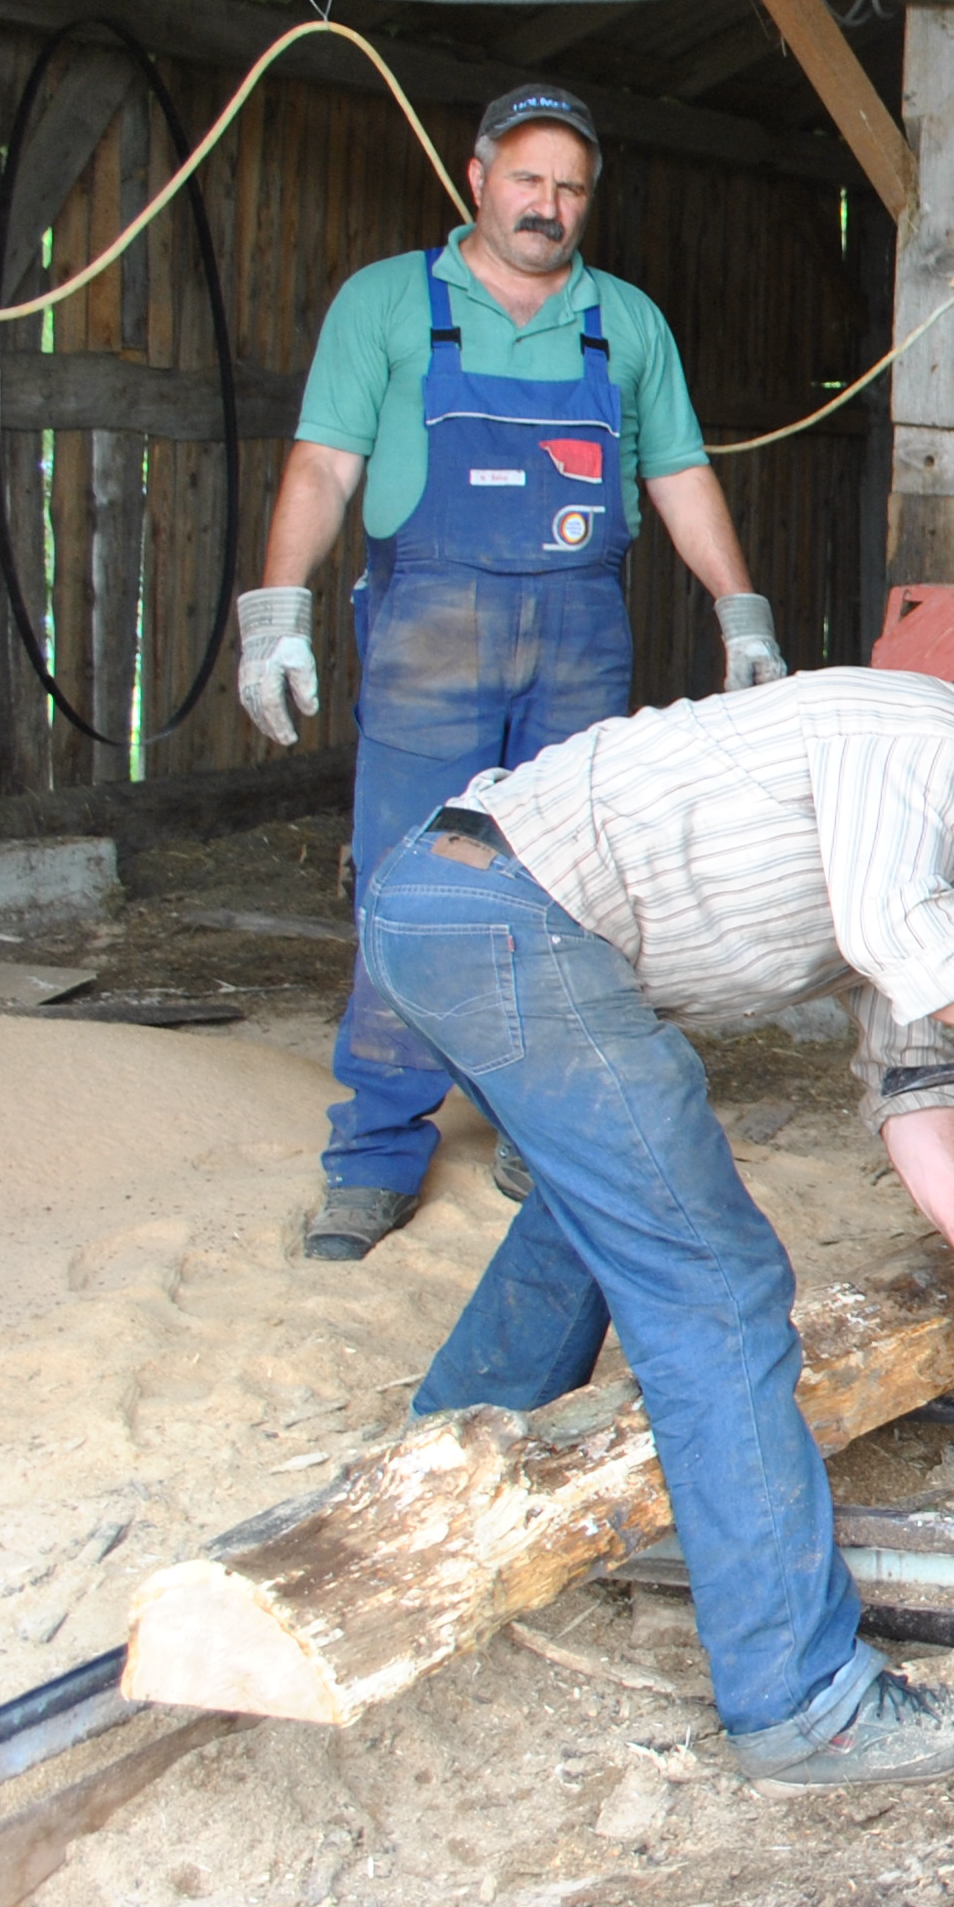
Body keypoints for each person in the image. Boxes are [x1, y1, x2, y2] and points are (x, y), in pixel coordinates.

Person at [356, 631, 954, 1784]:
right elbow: (897, 938)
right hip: (498, 912)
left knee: (609, 1198)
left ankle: (438, 1469)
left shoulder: (925, 851)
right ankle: (805, 1706)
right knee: (717, 1285)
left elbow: (911, 1086)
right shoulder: (923, 734)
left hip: (469, 910)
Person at [235, 82, 790, 1265]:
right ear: (478, 176)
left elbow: (679, 475)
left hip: (578, 644)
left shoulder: (623, 322)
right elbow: (323, 465)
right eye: (528, 180)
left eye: (571, 188)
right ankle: (373, 1155)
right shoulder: (390, 303)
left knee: (568, 891)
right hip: (430, 637)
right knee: (408, 886)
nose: (549, 206)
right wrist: (276, 613)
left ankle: (542, 1131)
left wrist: (740, 613)